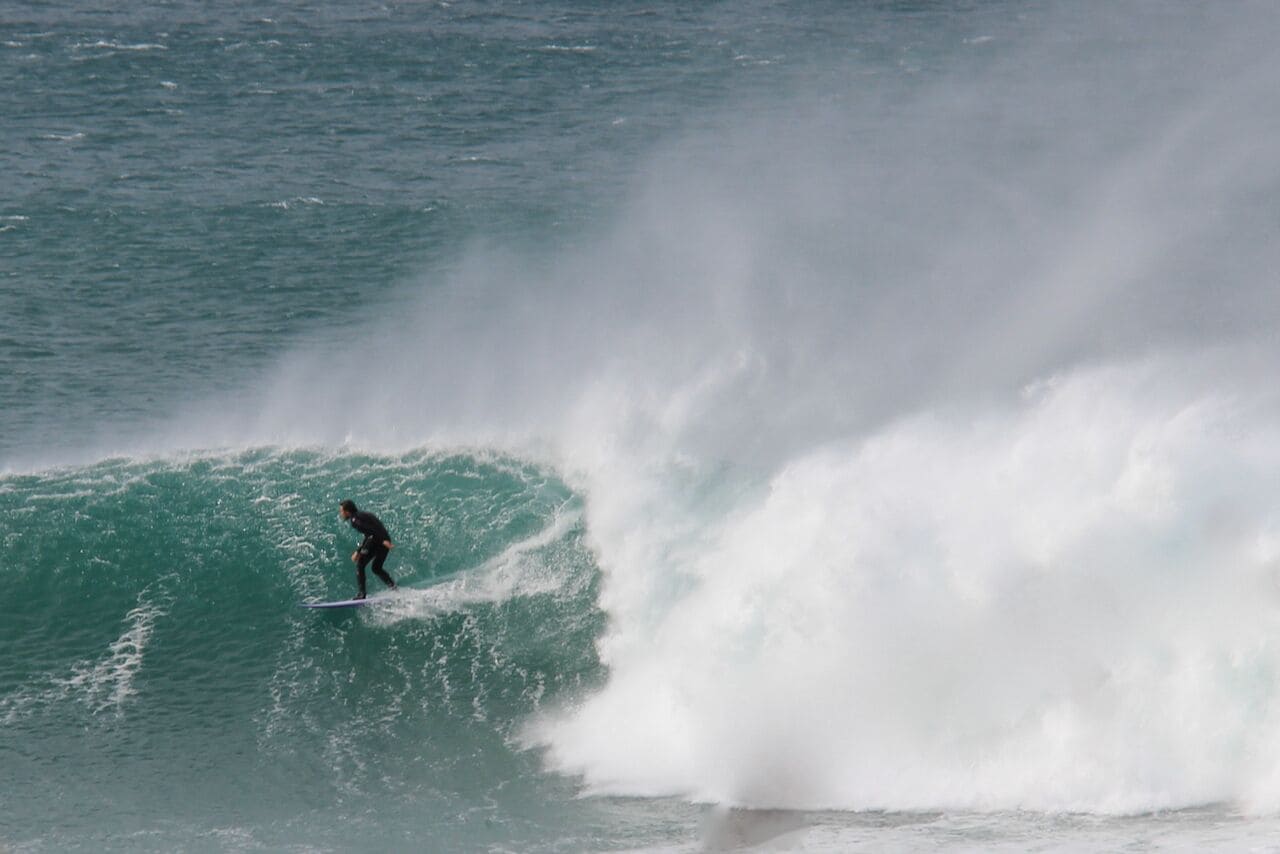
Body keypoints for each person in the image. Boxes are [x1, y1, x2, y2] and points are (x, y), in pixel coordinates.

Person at [338, 499, 397, 599]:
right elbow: (376, 527)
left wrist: (358, 551)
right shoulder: (363, 514)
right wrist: (384, 540)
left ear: (347, 511)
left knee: (360, 564)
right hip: (383, 539)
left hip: (378, 540)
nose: (341, 514)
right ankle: (393, 587)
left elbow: (370, 532)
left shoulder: (354, 520)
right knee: (376, 568)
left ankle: (362, 594)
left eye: (341, 511)